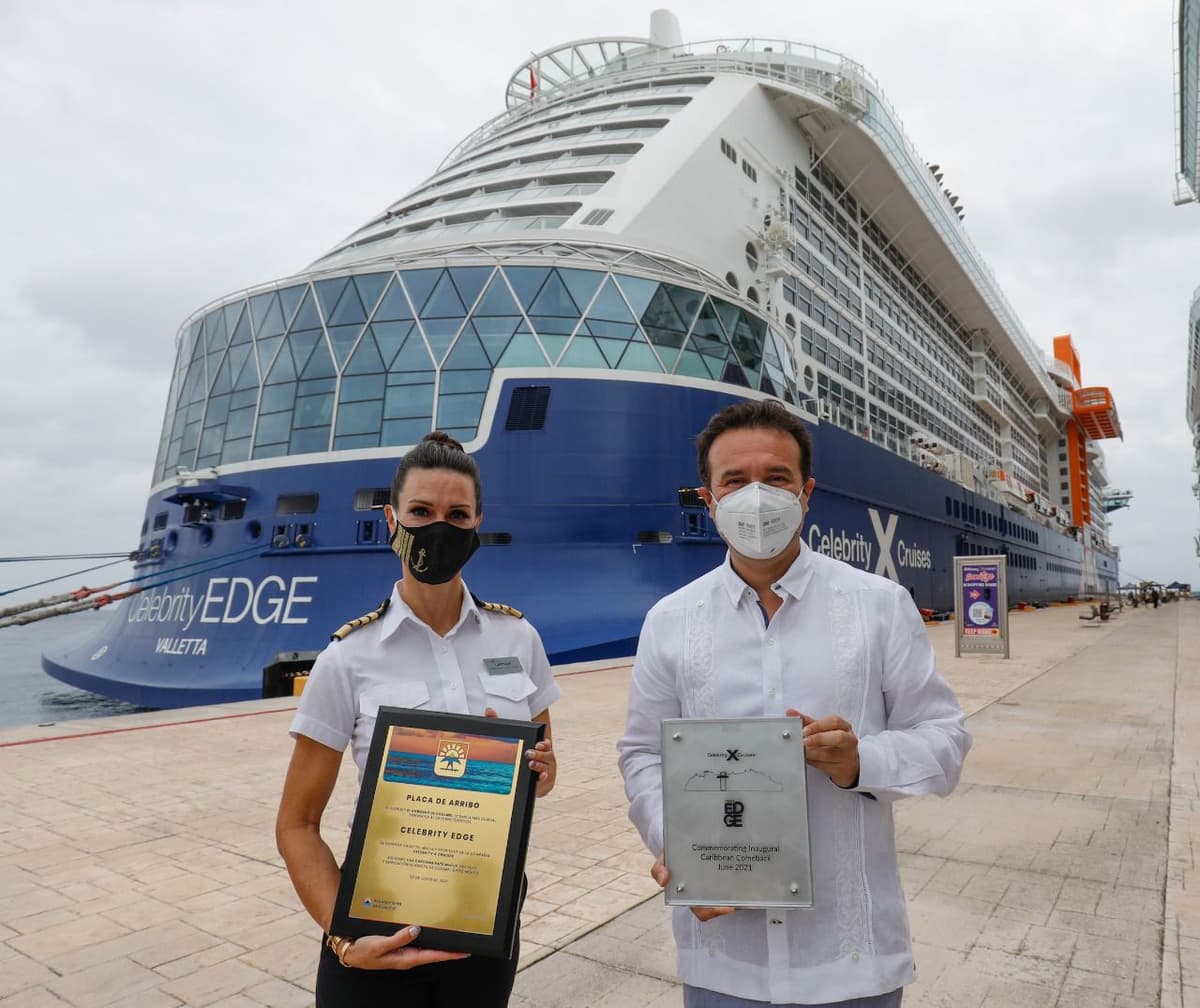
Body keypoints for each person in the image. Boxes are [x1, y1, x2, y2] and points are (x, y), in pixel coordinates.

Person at [617, 400, 971, 1007]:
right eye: (734, 480)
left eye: (776, 478)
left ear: (806, 493)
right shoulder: (668, 620)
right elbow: (643, 755)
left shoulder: (879, 605)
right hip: (724, 961)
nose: (756, 496)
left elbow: (946, 741)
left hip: (850, 961)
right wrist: (673, 841)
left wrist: (860, 763)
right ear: (709, 499)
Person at [276, 431, 560, 1008]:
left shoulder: (517, 638)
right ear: (391, 520)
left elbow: (544, 774)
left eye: (457, 514)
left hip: (485, 918)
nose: (440, 528)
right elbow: (296, 824)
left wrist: (539, 770)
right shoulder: (348, 657)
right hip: (376, 925)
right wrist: (342, 935)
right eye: (421, 512)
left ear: (479, 521)